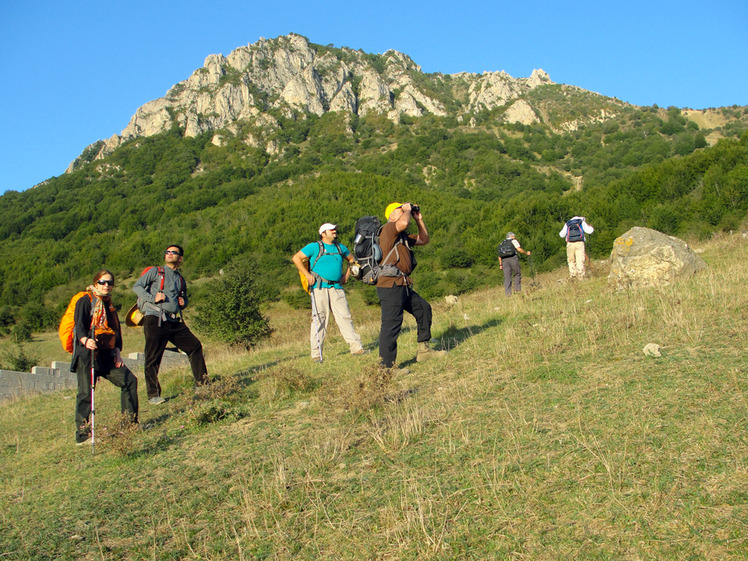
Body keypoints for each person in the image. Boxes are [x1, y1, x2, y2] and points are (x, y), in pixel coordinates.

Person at [132, 245, 208, 404]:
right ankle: (153, 395)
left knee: (194, 346)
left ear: (180, 259)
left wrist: (183, 302)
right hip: (155, 318)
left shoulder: (180, 279)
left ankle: (202, 384)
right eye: (167, 252)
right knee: (153, 357)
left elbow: (184, 299)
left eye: (173, 252)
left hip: (173, 320)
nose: (169, 254)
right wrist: (153, 298)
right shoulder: (156, 271)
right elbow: (137, 287)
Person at [376, 202, 446, 370]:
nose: (405, 211)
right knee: (391, 325)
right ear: (392, 216)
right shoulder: (388, 229)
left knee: (423, 309)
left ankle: (424, 351)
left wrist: (419, 220)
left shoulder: (402, 237)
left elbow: (424, 239)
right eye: (400, 210)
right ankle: (387, 368)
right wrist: (407, 208)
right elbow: (403, 223)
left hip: (403, 284)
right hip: (389, 285)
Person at [72, 270, 138, 445]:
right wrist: (85, 340)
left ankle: (129, 424)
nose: (106, 285)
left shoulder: (109, 306)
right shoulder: (85, 301)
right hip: (87, 355)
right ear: (95, 284)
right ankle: (83, 435)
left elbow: (115, 330)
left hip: (107, 355)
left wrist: (117, 351)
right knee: (86, 393)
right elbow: (78, 325)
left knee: (129, 380)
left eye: (110, 283)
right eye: (102, 282)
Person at [292, 223, 367, 361]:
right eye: (331, 230)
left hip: (336, 287)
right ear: (323, 233)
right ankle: (316, 355)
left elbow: (352, 260)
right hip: (319, 287)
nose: (334, 231)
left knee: (345, 317)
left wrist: (346, 275)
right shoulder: (314, 247)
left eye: (335, 229)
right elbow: (296, 258)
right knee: (319, 320)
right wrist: (307, 275)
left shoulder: (340, 247)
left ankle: (357, 348)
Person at [498, 232, 531, 296]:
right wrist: (526, 253)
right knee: (517, 273)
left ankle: (508, 293)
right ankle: (517, 289)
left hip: (504, 260)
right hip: (513, 258)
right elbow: (519, 249)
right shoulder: (513, 241)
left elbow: (499, 255)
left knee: (507, 277)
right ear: (512, 236)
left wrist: (500, 264)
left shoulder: (502, 243)